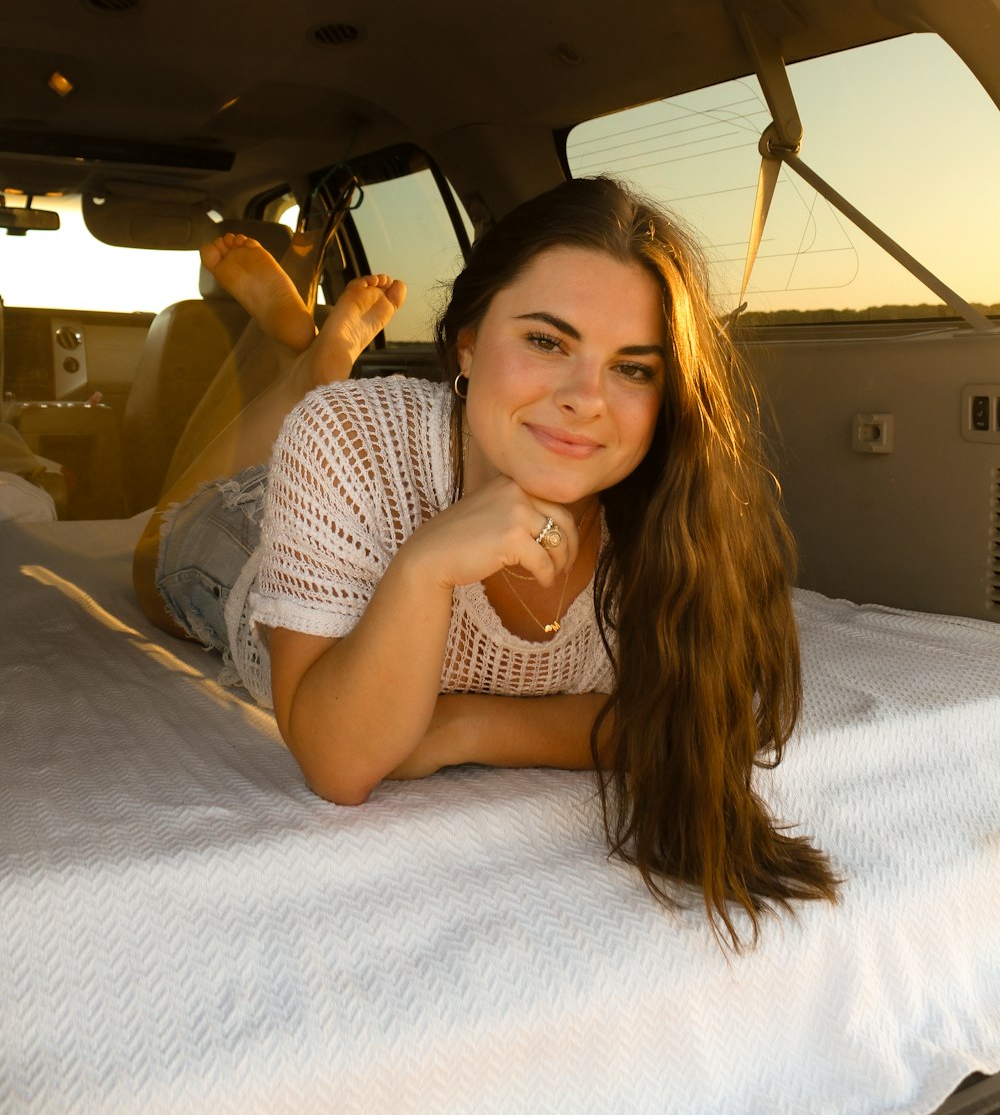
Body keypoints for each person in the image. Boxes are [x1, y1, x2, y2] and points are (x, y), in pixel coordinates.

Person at [133, 177, 839, 948]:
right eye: (546, 342)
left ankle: (313, 352)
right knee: (156, 538)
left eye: (634, 367)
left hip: (358, 492)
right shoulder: (346, 440)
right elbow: (340, 762)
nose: (586, 399)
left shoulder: (673, 502)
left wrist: (461, 725)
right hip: (238, 547)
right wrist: (424, 567)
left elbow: (679, 723)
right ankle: (308, 359)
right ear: (467, 347)